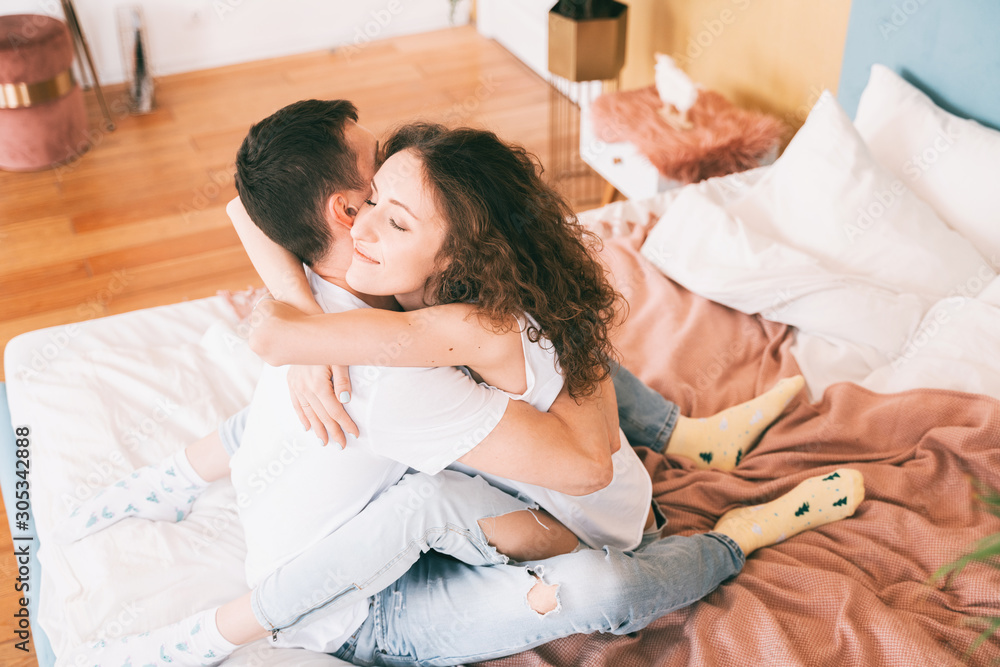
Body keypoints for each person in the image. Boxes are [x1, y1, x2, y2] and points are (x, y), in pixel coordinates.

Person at [62, 102, 842, 667]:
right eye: (376, 185)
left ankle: (692, 455)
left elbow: (582, 456)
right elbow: (251, 219)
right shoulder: (389, 330)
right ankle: (730, 535)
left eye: (394, 209)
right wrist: (303, 343)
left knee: (547, 358)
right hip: (356, 599)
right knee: (571, 566)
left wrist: (304, 334)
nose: (379, 200)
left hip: (514, 488)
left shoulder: (389, 295)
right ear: (346, 206)